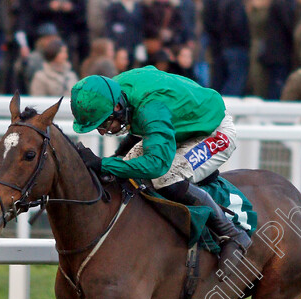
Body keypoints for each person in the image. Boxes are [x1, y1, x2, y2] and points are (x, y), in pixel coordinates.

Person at [69, 68, 252, 269]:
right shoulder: (113, 90)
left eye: (104, 124)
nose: (103, 132)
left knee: (166, 176)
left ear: (118, 106)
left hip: (213, 130)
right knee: (127, 166)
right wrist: (112, 163)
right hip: (180, 124)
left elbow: (157, 165)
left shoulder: (150, 108)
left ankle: (233, 234)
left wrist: (103, 164)